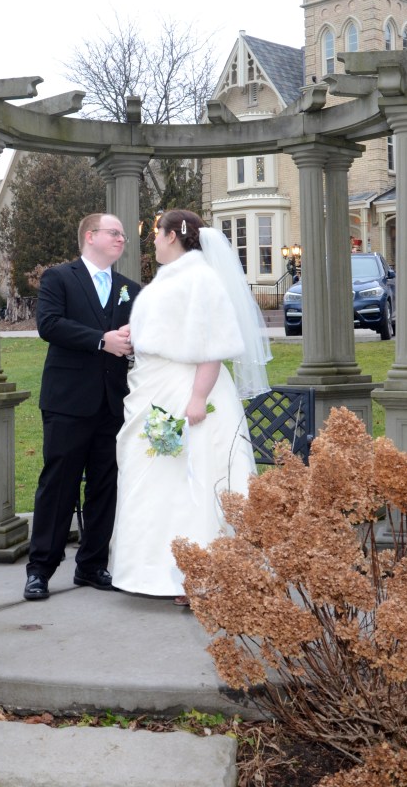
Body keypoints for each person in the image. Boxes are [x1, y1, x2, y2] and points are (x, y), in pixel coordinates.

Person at [109, 209, 271, 604]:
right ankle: (153, 571)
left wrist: (197, 399)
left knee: (192, 481)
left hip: (187, 393)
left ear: (172, 236)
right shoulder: (170, 278)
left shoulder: (201, 278)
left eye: (157, 234)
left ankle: (200, 574)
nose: (152, 241)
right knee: (155, 481)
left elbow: (212, 345)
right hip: (155, 389)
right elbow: (171, 327)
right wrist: (137, 331)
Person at [24, 213, 141, 601]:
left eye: (124, 234)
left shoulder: (129, 289)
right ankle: (40, 568)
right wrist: (101, 340)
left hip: (113, 402)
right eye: (114, 233)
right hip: (68, 401)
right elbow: (49, 325)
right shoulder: (60, 278)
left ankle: (91, 565)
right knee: (58, 484)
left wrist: (132, 338)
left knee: (105, 486)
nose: (122, 238)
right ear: (90, 236)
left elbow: (140, 334)